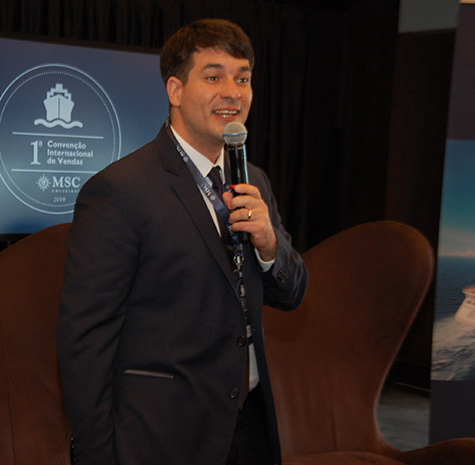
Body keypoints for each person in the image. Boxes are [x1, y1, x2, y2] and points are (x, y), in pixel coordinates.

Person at [57, 18, 308, 465]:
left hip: (249, 429)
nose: (232, 91)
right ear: (175, 90)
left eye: (243, 78)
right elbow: (85, 342)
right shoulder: (121, 190)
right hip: (161, 436)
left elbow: (292, 294)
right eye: (213, 77)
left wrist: (271, 246)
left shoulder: (256, 182)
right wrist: (97, 453)